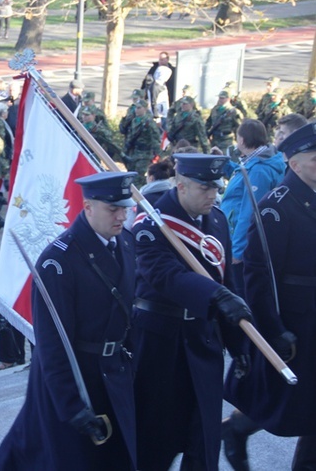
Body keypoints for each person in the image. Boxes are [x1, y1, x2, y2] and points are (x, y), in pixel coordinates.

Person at [0, 171, 139, 469]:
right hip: (79, 380)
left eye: (124, 208)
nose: (121, 216)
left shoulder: (126, 242)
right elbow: (51, 344)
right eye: (112, 209)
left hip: (115, 374)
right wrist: (71, 404)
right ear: (88, 207)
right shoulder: (58, 261)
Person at [131, 153, 252, 470]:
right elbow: (165, 275)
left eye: (216, 187)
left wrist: (239, 344)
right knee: (154, 442)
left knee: (203, 442)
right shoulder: (152, 222)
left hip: (202, 342)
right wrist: (217, 295)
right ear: (181, 185)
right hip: (160, 345)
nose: (213, 195)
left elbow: (226, 283)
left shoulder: (218, 219)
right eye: (204, 188)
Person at [223, 123, 316, 471]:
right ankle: (235, 430)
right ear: (294, 164)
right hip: (296, 319)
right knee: (284, 398)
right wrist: (271, 329)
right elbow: (258, 276)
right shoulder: (275, 208)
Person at [218, 118, 286, 296]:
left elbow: (250, 212)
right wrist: (226, 165)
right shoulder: (257, 162)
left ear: (241, 140)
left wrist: (237, 251)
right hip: (242, 241)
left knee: (240, 292)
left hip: (243, 245)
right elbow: (242, 179)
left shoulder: (259, 170)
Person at [124, 99, 161, 188]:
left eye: (139, 108)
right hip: (133, 153)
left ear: (145, 108)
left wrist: (158, 154)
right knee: (130, 176)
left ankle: (139, 198)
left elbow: (155, 139)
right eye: (136, 108)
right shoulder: (134, 121)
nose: (136, 110)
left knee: (138, 178)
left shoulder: (149, 122)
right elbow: (129, 135)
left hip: (144, 154)